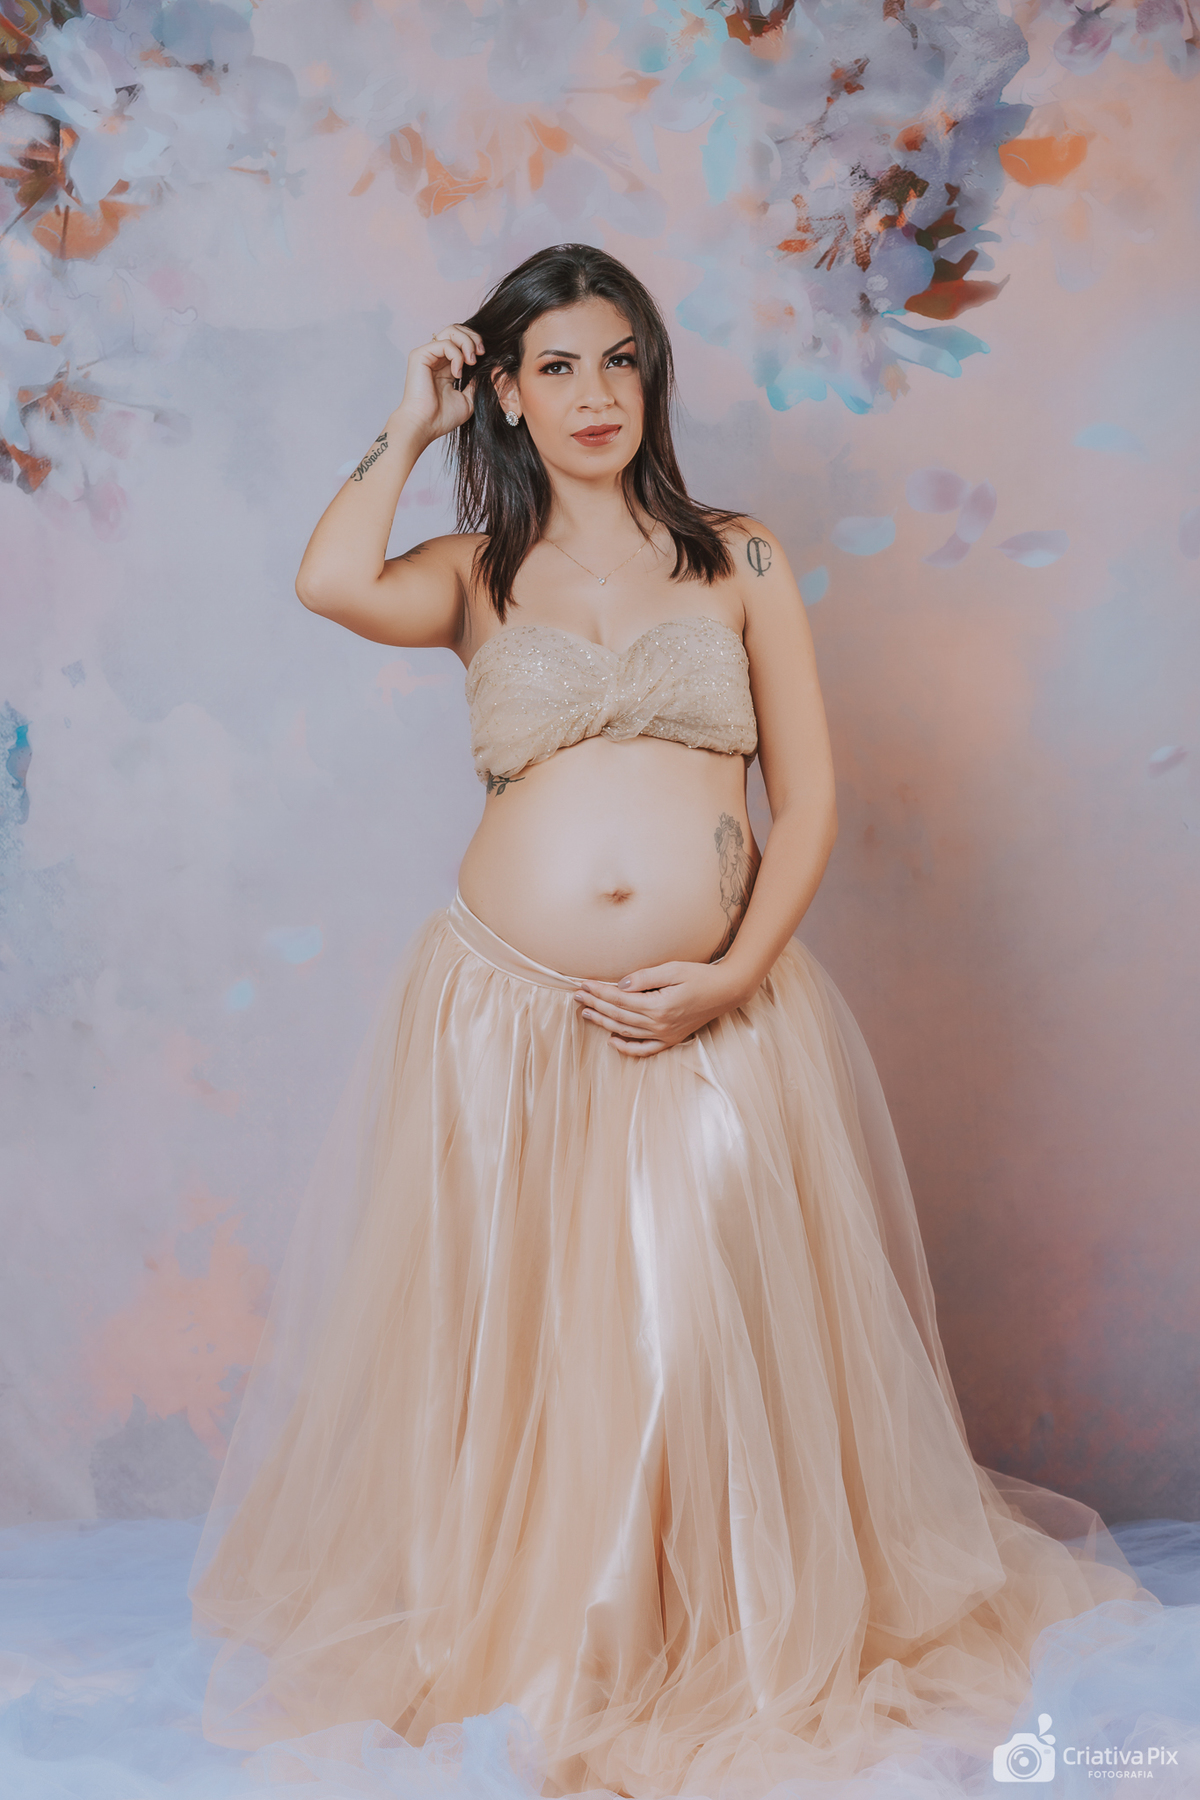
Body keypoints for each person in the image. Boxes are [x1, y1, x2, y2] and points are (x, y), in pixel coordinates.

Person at [190, 244, 1146, 1799]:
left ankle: (709, 1631)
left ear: (654, 379)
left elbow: (810, 799)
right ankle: (549, 1635)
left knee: (690, 1331)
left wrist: (734, 972)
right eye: (557, 366)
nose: (596, 394)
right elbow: (327, 580)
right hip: (505, 1017)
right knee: (537, 1341)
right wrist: (410, 420)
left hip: (716, 1012)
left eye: (620, 360)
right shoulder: (473, 571)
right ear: (507, 391)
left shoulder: (737, 557)